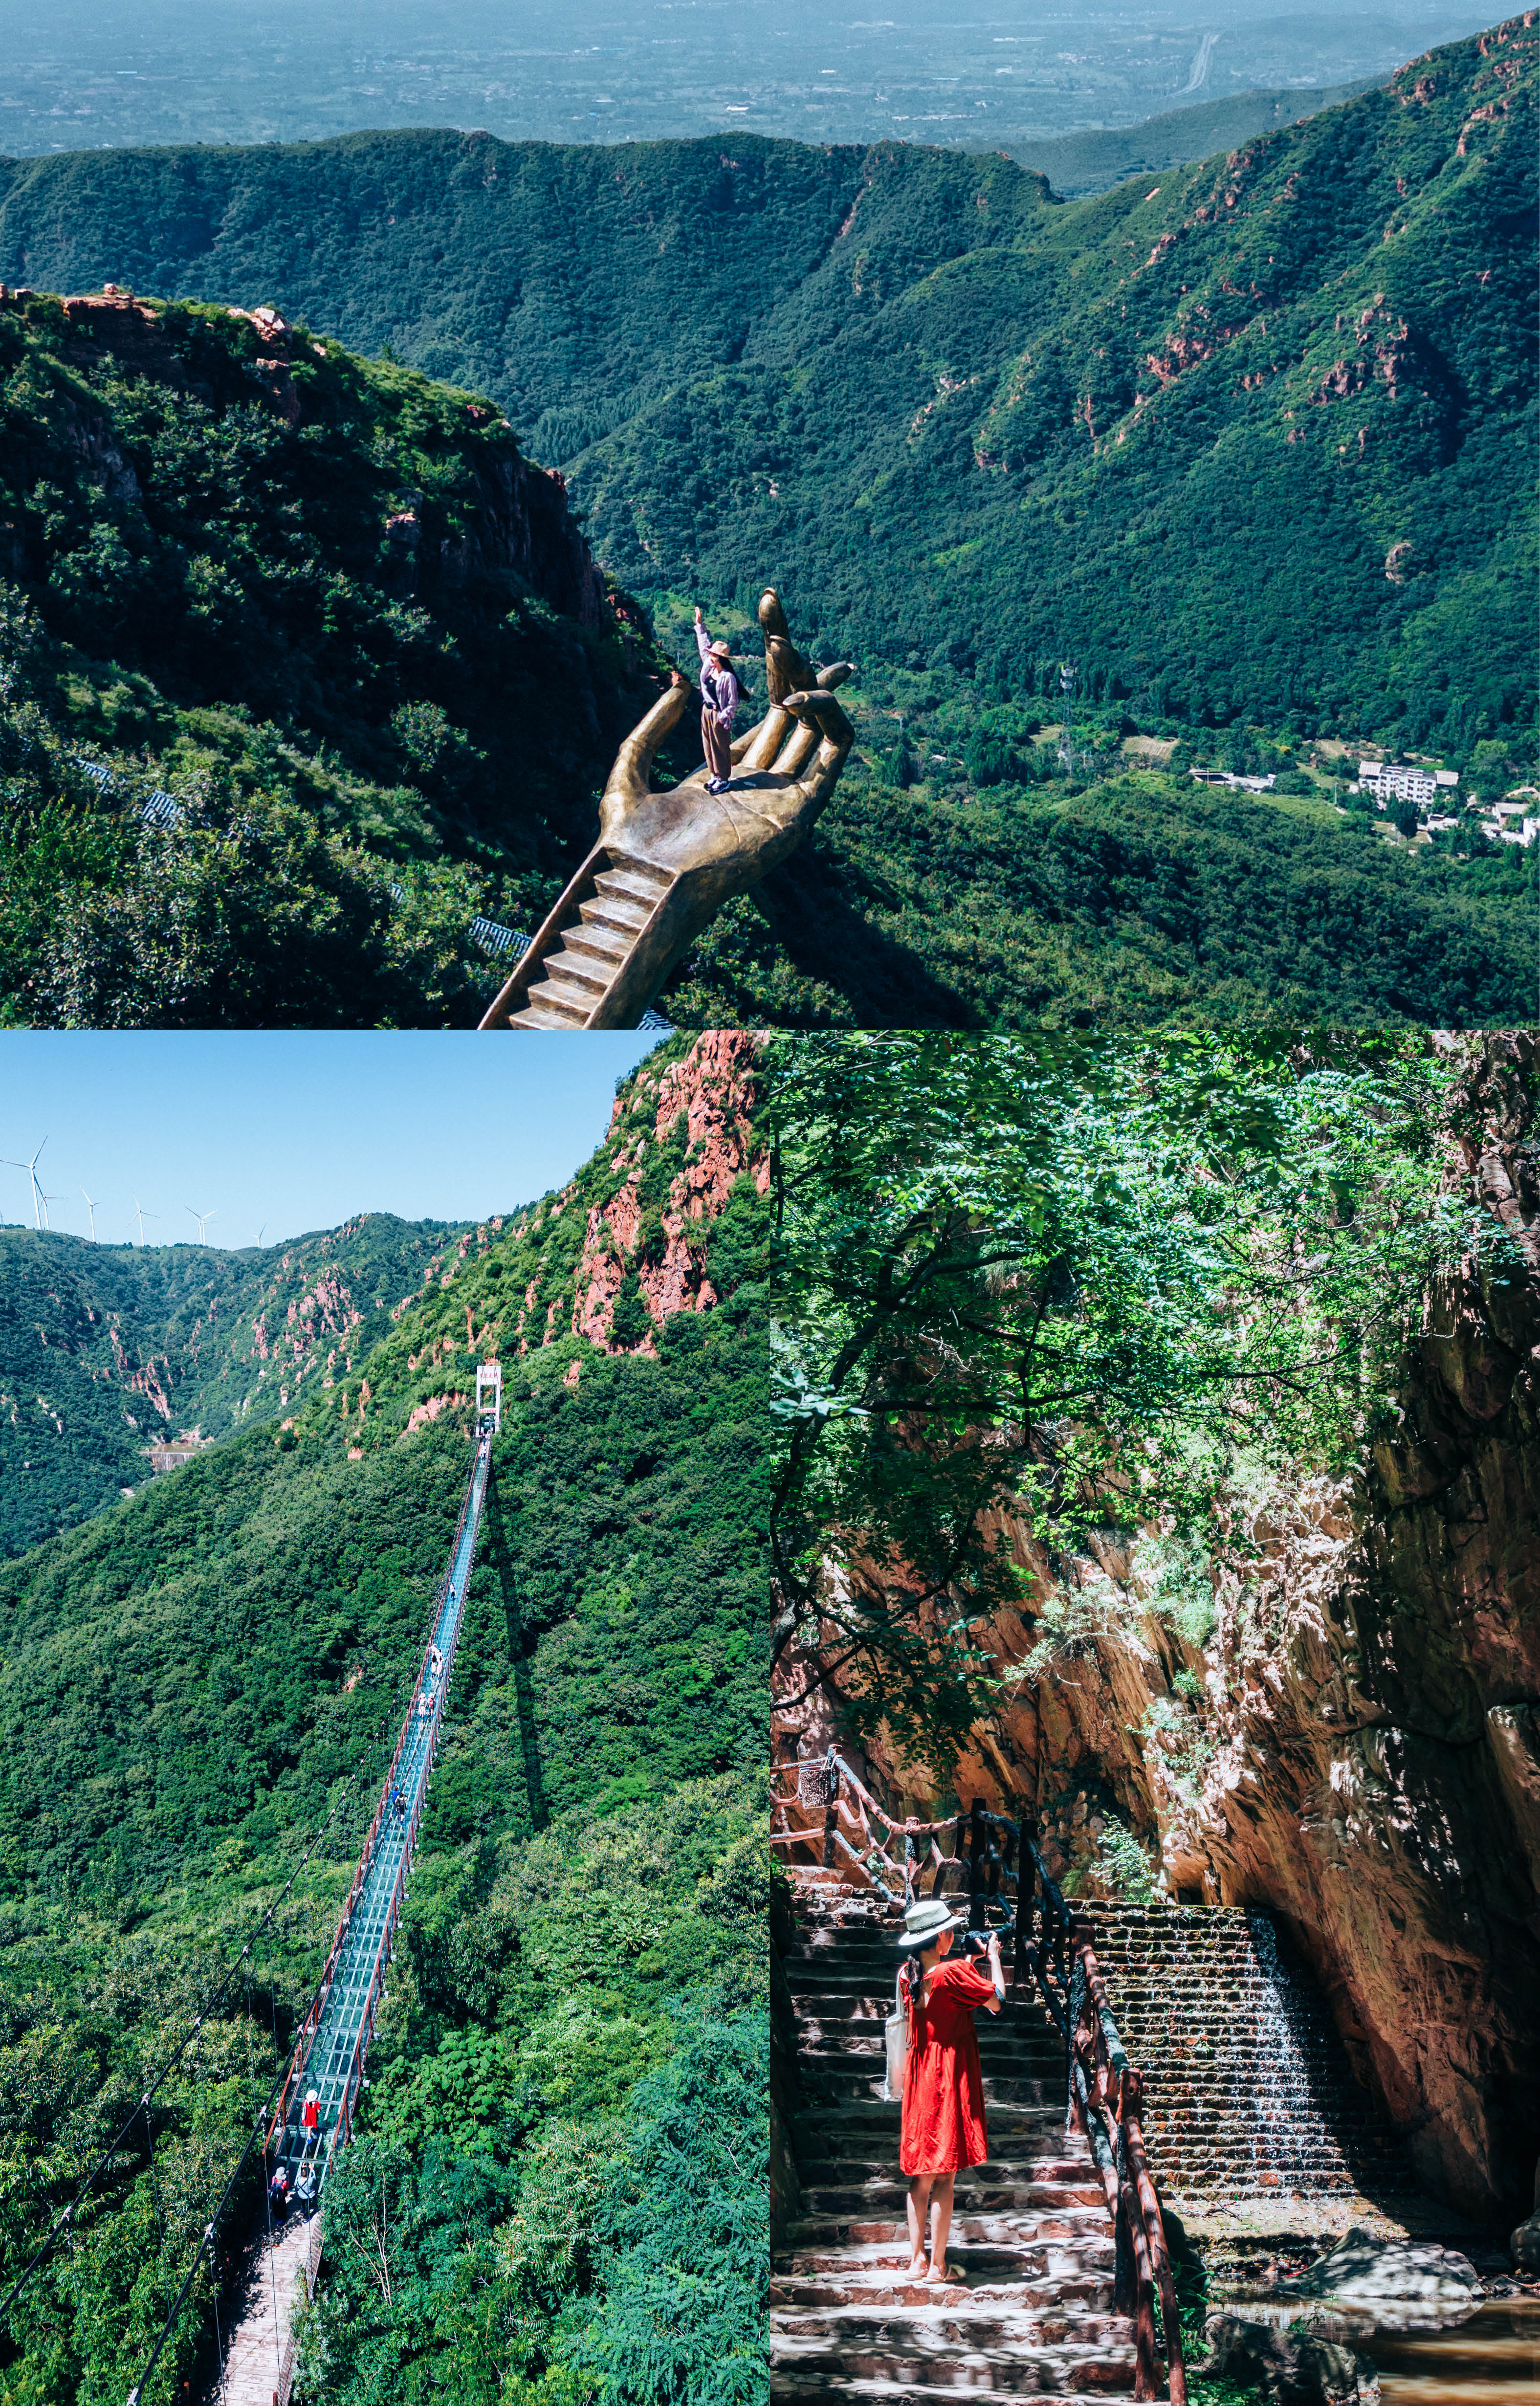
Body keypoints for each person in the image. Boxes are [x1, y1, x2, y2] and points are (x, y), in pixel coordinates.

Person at [895, 1897, 1004, 2284]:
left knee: (921, 2174)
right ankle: (939, 2266)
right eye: (950, 1930)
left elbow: (943, 1997)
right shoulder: (955, 1970)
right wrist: (992, 1958)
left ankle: (916, 2261)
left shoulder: (906, 1975)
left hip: (920, 2076)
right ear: (940, 1936)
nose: (955, 1935)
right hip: (947, 2076)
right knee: (945, 2175)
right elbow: (996, 2002)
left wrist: (968, 1965)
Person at [693, 606, 740, 793]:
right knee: (708, 743)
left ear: (721, 658)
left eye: (714, 655)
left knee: (721, 747)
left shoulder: (728, 677)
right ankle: (714, 775)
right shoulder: (709, 667)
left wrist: (724, 716)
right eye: (711, 654)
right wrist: (699, 624)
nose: (711, 657)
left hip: (719, 715)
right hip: (706, 710)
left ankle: (724, 779)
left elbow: (733, 702)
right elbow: (702, 643)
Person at [300, 2089, 320, 2157]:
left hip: (308, 2116)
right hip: (314, 2116)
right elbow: (318, 2111)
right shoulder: (316, 2103)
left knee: (309, 2126)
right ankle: (316, 2131)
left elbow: (304, 2107)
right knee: (315, 2124)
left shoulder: (306, 2102)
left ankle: (309, 2138)